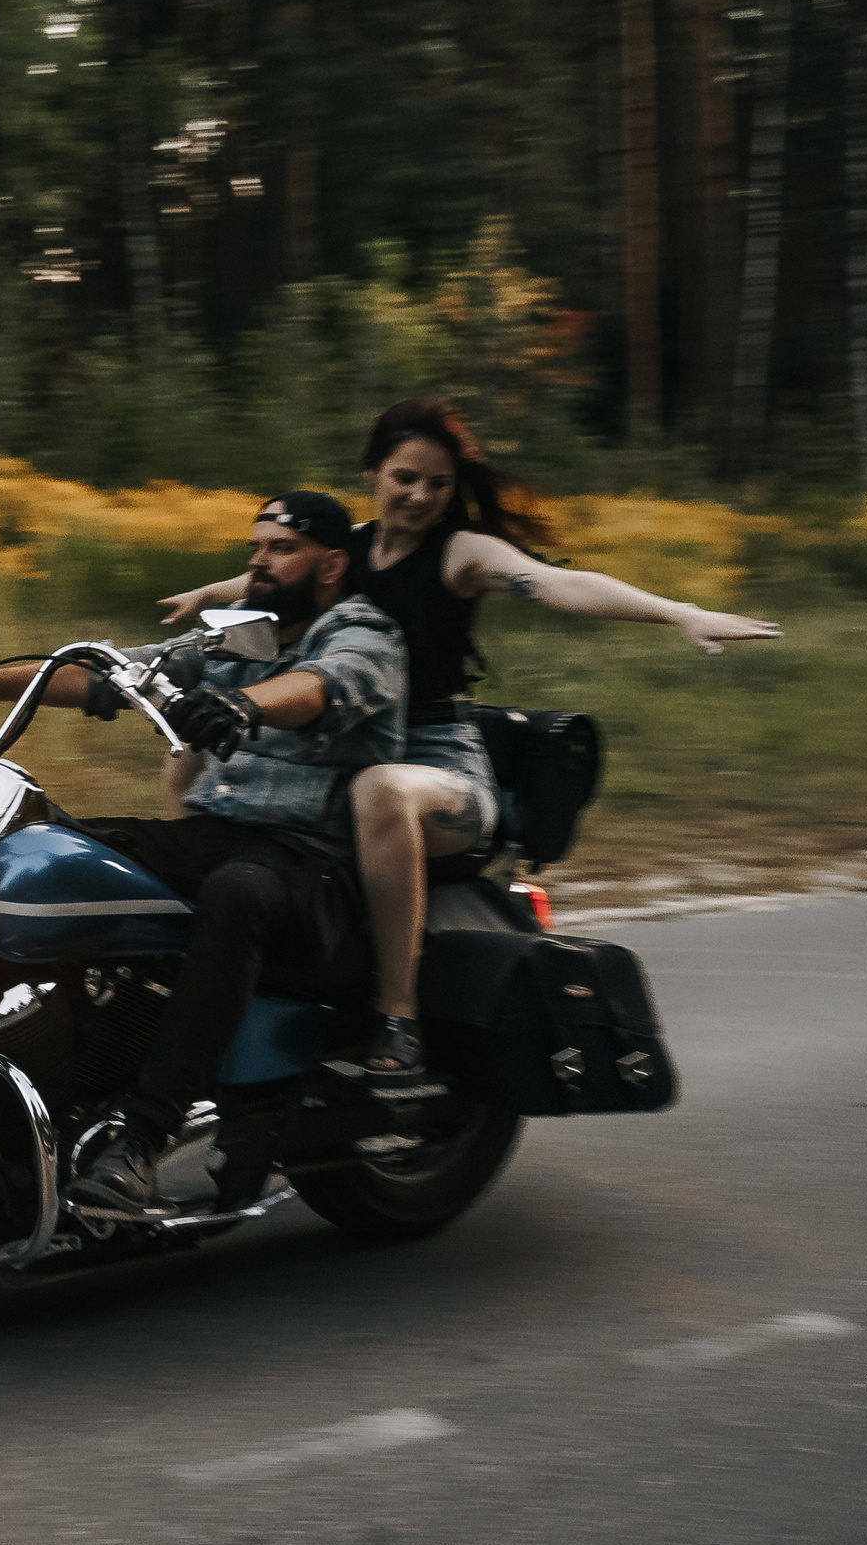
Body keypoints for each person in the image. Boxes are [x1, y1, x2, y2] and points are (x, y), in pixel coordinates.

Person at [157, 398, 783, 1088]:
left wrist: (678, 612)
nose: (420, 495)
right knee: (188, 758)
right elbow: (267, 580)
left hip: (433, 762)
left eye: (438, 483)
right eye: (405, 477)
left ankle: (398, 1016)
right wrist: (204, 596)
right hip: (343, 745)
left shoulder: (460, 553)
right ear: (374, 473)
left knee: (382, 791)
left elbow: (558, 583)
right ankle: (202, 963)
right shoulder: (349, 548)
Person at [0, 491, 405, 1215]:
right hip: (221, 833)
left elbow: (323, 685)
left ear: (332, 563)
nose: (258, 559)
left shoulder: (365, 633)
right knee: (40, 849)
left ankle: (140, 1137)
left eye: (281, 547)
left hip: (315, 865)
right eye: (256, 545)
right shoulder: (245, 634)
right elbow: (116, 674)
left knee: (236, 891)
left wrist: (246, 706)